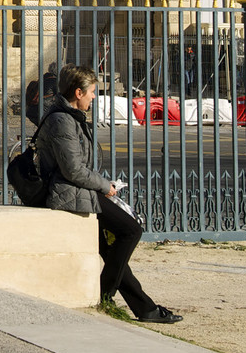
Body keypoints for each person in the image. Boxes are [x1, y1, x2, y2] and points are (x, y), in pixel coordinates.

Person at [35, 64, 182, 324]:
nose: (94, 97)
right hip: (70, 193)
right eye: (92, 92)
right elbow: (73, 170)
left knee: (112, 251)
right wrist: (105, 186)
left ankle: (145, 308)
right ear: (78, 92)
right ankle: (104, 295)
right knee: (130, 231)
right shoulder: (61, 120)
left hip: (80, 191)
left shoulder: (70, 116)